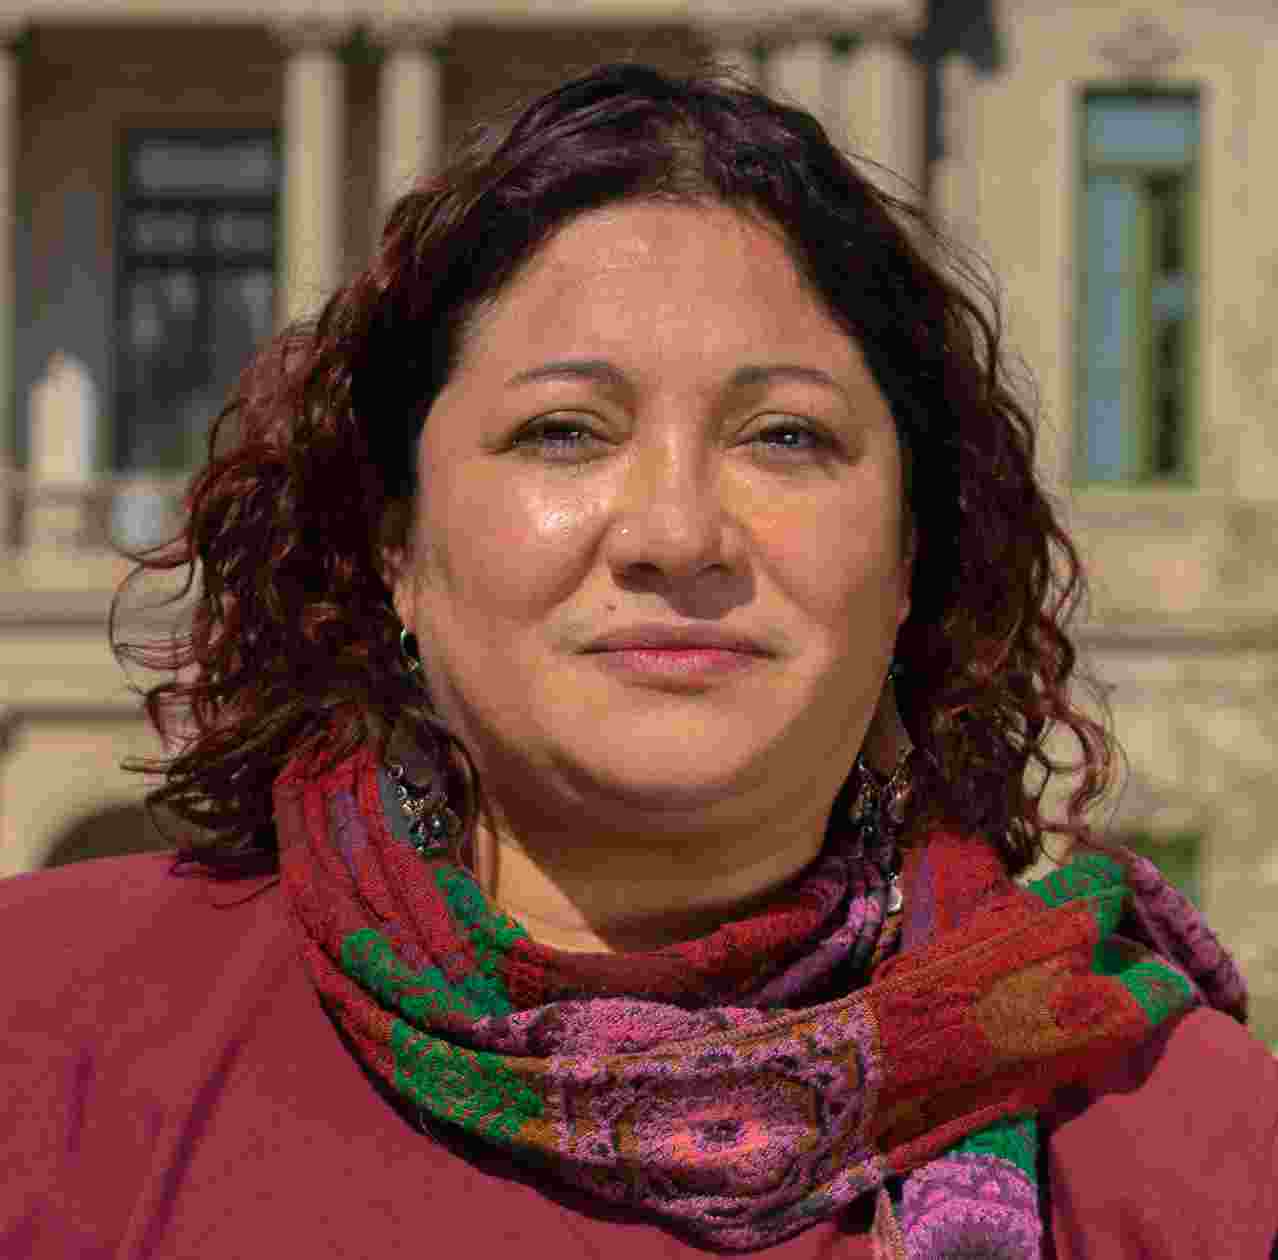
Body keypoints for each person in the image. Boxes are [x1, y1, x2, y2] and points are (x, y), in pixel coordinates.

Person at [3, 61, 1274, 1260]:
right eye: (564, 431)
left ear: (909, 559)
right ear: (396, 543)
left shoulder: (1169, 1139)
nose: (676, 534)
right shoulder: (53, 1039)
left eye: (785, 437)